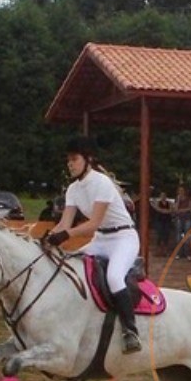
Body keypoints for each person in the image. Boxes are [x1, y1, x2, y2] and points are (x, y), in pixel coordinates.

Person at [45, 137, 141, 353]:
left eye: (74, 159)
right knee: (67, 265)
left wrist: (65, 235)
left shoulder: (102, 183)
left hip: (123, 239)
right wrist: (48, 237)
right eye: (68, 160)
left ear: (88, 160)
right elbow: (64, 223)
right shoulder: (72, 189)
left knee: (114, 277)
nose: (70, 164)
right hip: (100, 240)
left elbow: (93, 223)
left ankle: (131, 331)